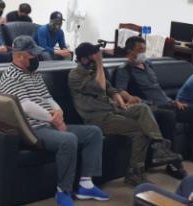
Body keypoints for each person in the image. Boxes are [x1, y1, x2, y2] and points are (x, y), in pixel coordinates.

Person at [0, 36, 110, 206]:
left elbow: (47, 97)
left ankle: (86, 185)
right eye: (32, 55)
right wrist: (53, 119)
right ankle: (63, 190)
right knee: (68, 139)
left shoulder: (33, 74)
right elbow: (25, 106)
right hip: (33, 129)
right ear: (20, 56)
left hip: (50, 124)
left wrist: (58, 112)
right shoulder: (10, 77)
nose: (36, 58)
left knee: (94, 132)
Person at [68, 42, 182, 186]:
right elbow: (100, 87)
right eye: (94, 55)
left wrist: (122, 104)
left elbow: (112, 90)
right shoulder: (75, 75)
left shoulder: (93, 70)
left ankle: (159, 146)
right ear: (84, 59)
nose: (98, 57)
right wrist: (99, 64)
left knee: (142, 108)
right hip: (98, 118)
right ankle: (134, 173)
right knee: (140, 131)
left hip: (112, 110)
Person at [116, 36, 193, 179]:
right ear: (130, 51)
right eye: (139, 50)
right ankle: (173, 163)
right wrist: (129, 97)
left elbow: (157, 89)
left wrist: (173, 101)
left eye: (144, 49)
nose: (143, 53)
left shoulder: (148, 65)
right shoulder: (125, 69)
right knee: (169, 116)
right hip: (152, 108)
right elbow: (120, 90)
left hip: (168, 104)